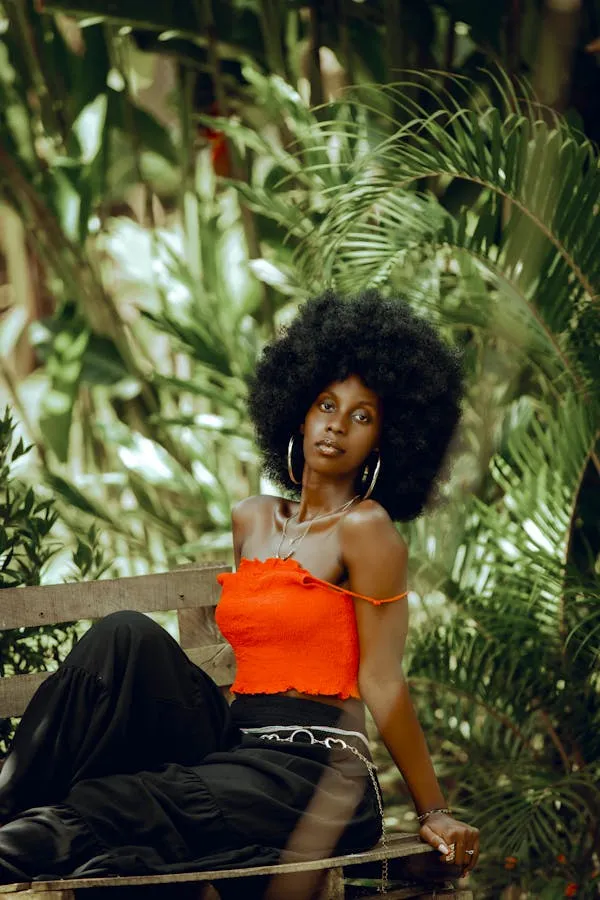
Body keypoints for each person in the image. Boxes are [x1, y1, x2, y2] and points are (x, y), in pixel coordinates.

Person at [0, 289, 479, 895]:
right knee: (123, 634)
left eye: (362, 415)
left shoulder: (368, 530)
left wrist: (433, 810)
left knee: (121, 801)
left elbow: (383, 680)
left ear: (384, 440)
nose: (336, 423)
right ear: (297, 410)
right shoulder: (252, 518)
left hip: (314, 769)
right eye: (325, 404)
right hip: (234, 742)